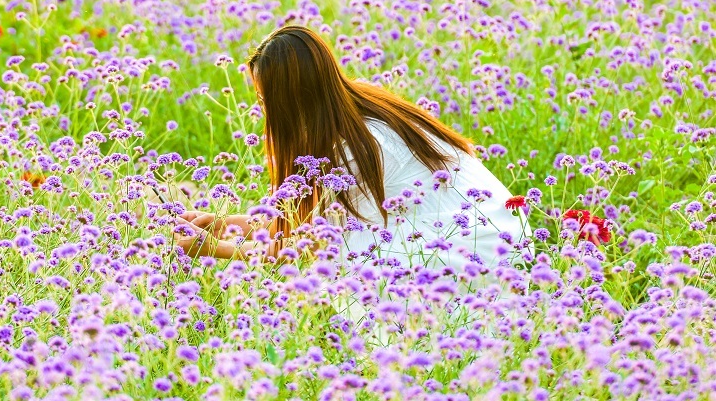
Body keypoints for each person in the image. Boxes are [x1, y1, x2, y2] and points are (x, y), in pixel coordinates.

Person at [175, 25, 529, 273]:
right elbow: (304, 222)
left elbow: (299, 251)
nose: (262, 109)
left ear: (291, 102)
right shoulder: (361, 107)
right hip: (501, 238)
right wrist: (224, 224)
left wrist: (211, 250)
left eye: (265, 99)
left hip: (480, 259)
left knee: (348, 259)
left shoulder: (357, 147)